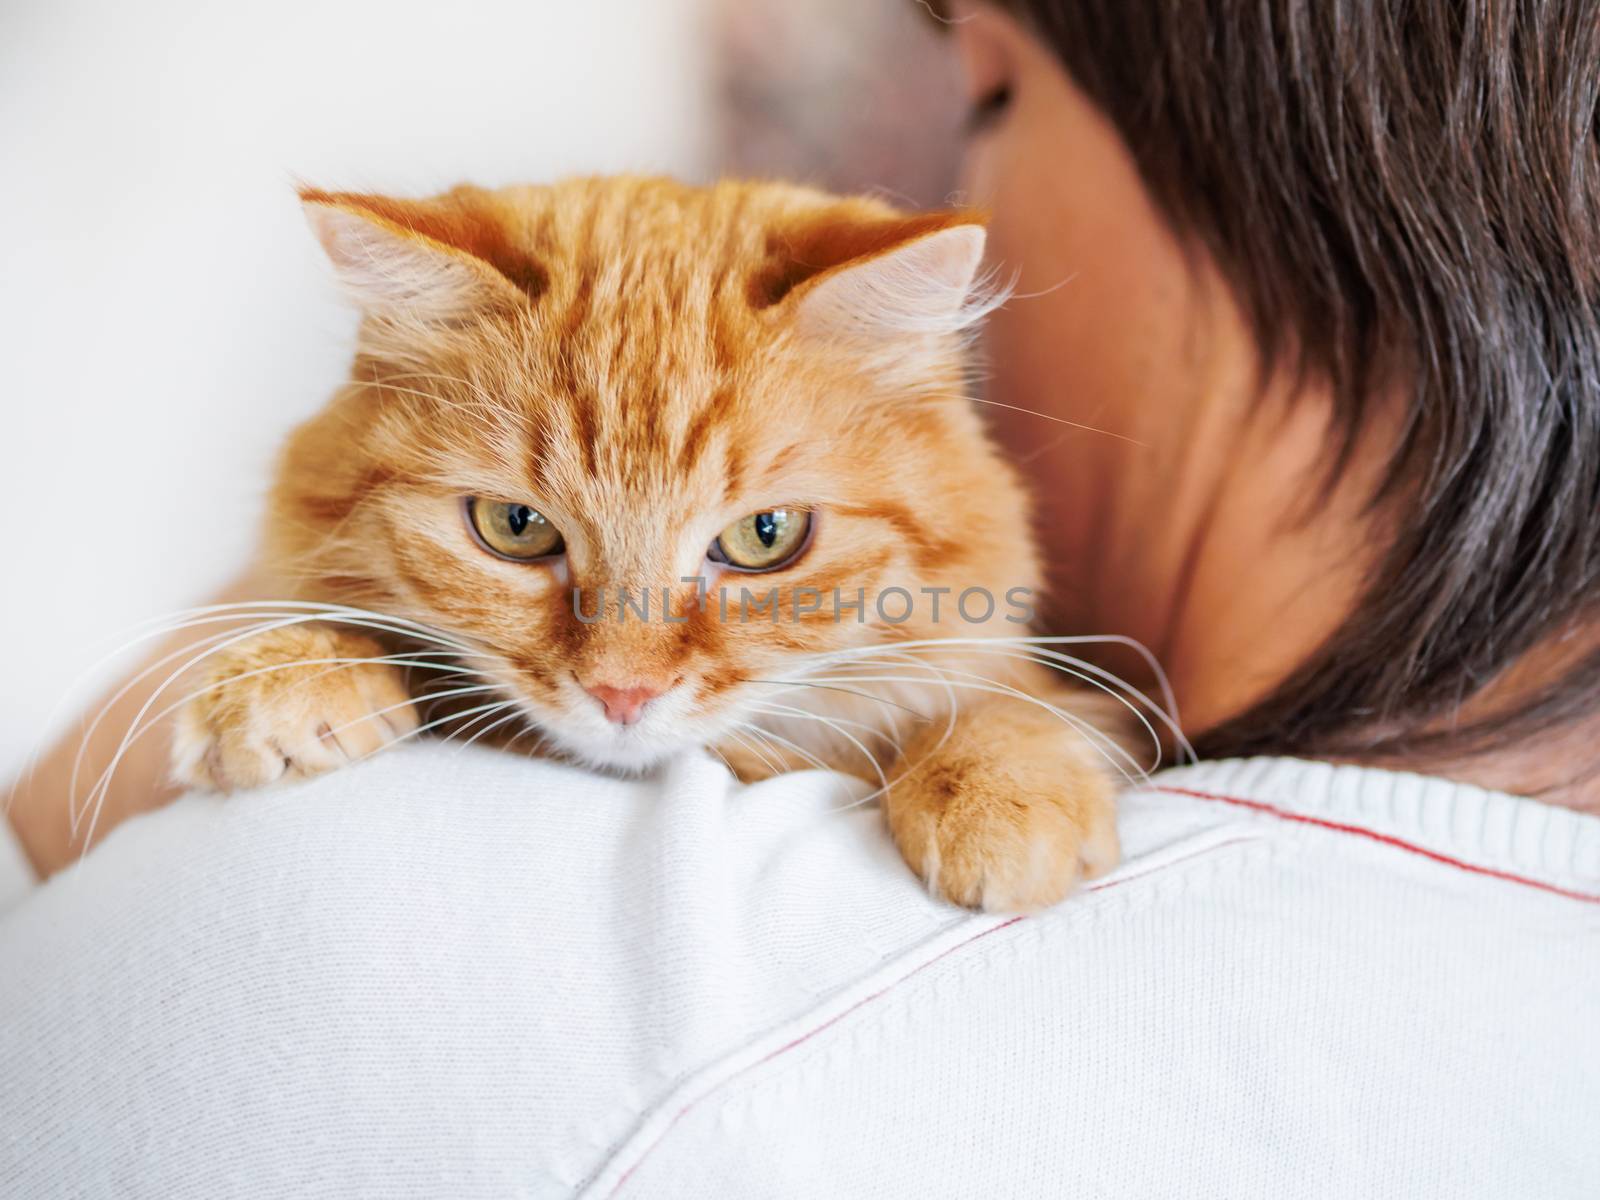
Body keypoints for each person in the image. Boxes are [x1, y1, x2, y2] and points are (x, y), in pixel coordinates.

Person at [2, 1, 1596, 1195]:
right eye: (514, 528)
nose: (626, 666)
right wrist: (319, 625)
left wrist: (73, 798)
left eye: (754, 545)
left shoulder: (372, 966)